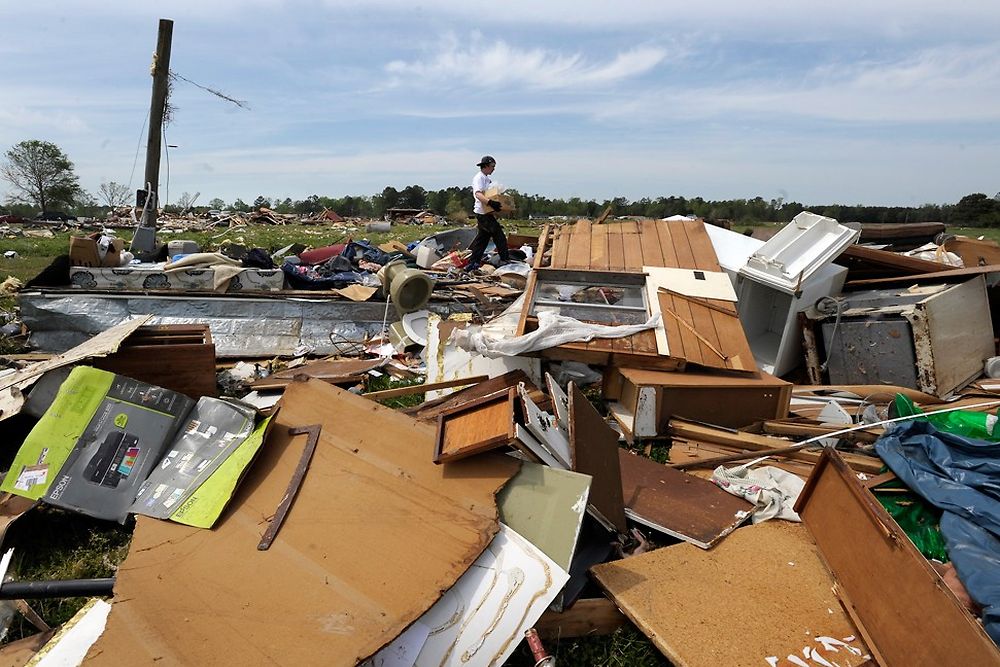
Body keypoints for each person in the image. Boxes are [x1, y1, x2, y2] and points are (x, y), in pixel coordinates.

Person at [466, 155, 510, 271]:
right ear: (485, 166)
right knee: (499, 236)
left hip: (486, 213)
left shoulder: (486, 178)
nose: (493, 169)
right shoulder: (479, 178)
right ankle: (505, 260)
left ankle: (473, 263)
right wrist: (491, 203)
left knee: (483, 239)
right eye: (492, 166)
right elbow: (478, 194)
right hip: (482, 214)